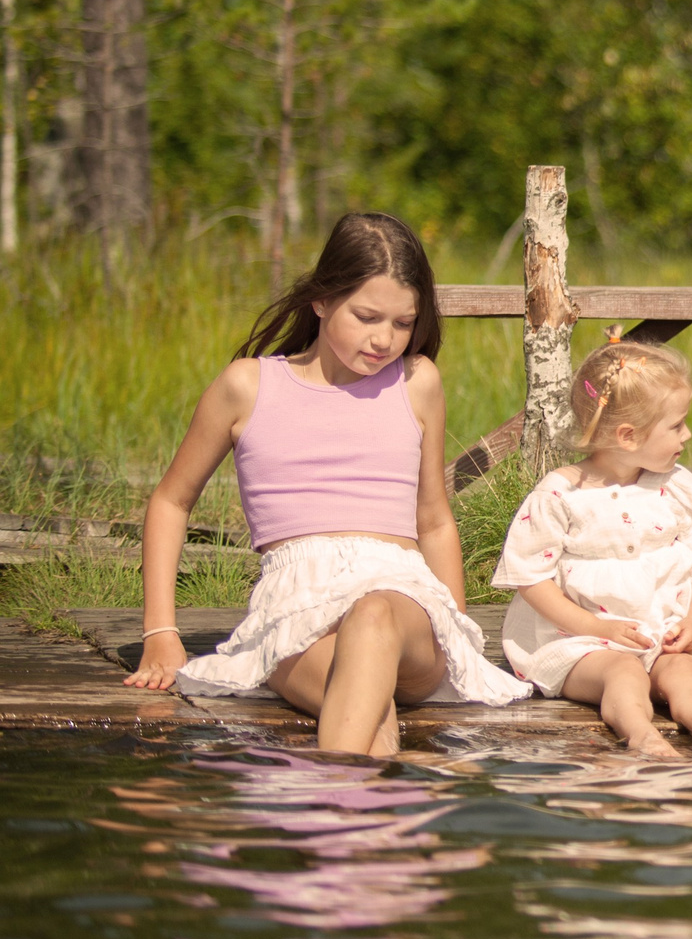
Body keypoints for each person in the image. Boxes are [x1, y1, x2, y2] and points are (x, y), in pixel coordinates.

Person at [125, 212, 531, 754]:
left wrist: (459, 636)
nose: (384, 339)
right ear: (320, 300)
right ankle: (363, 825)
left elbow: (433, 520)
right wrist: (161, 634)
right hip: (293, 610)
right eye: (366, 317)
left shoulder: (417, 382)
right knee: (370, 712)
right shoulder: (248, 385)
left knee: (373, 614)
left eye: (403, 323)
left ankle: (327, 810)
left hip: (402, 602)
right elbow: (171, 501)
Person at [491, 342, 692, 757]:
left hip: (660, 634)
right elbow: (531, 579)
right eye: (676, 426)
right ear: (628, 436)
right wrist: (597, 629)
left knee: (683, 671)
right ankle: (640, 732)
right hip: (579, 640)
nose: (688, 434)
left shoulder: (676, 485)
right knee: (623, 672)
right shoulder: (563, 493)